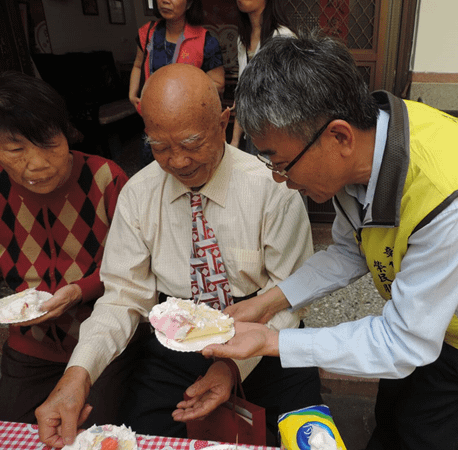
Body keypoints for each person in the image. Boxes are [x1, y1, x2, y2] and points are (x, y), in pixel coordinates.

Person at [201, 33, 458, 450]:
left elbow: (404, 342)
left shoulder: (456, 200)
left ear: (339, 137)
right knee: (393, 400)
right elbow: (347, 251)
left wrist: (272, 340)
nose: (280, 181)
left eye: (282, 164)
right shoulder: (367, 142)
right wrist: (267, 303)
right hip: (427, 307)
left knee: (425, 426)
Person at [36, 63, 322, 448]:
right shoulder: (138, 195)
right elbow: (123, 298)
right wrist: (78, 374)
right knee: (140, 437)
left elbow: (290, 295)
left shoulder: (272, 188)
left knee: (305, 438)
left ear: (224, 122)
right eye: (160, 146)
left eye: (191, 143)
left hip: (266, 332)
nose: (178, 161)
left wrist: (231, 367)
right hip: (176, 339)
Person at [0, 71, 130, 425]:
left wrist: (79, 291)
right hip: (30, 346)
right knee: (14, 432)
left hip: (102, 339)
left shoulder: (106, 179)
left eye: (50, 145)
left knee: (94, 435)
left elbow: (133, 268)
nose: (37, 163)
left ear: (68, 135)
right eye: (16, 150)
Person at [129, 0, 226, 166]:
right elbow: (138, 65)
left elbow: (218, 83)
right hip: (153, 120)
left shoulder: (206, 40)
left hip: (188, 124)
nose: (165, 1)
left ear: (189, 4)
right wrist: (132, 94)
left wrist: (186, 90)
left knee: (185, 166)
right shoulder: (148, 33)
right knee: (153, 170)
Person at [229, 0, 296, 153]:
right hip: (252, 134)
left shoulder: (283, 37)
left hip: (277, 134)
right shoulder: (242, 39)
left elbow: (289, 97)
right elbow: (243, 91)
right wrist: (234, 141)